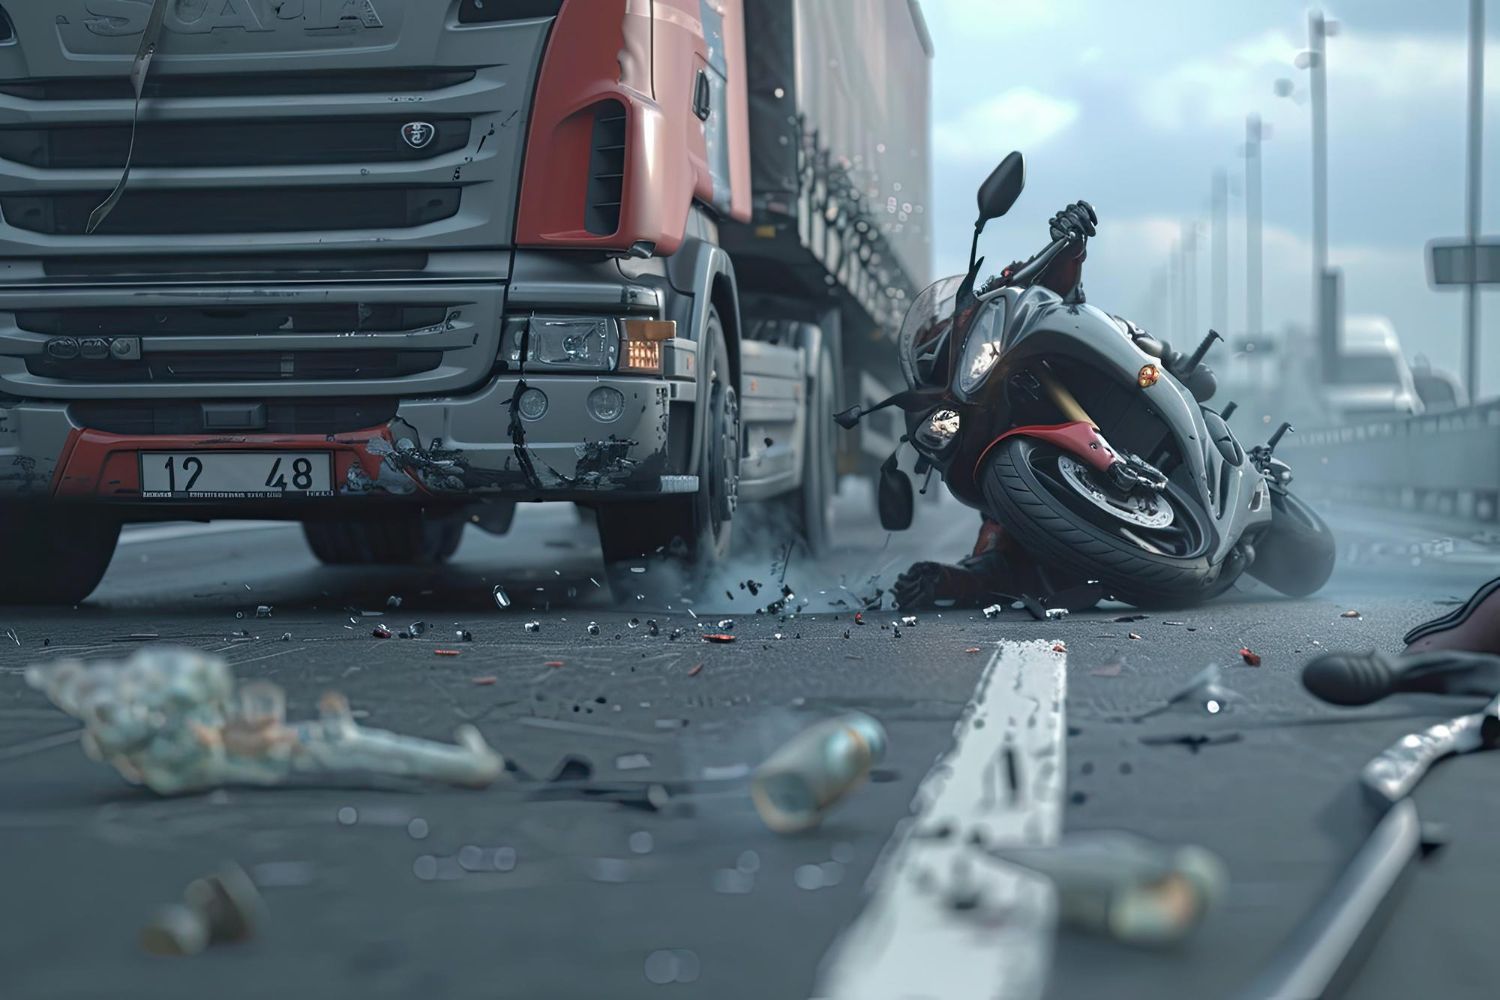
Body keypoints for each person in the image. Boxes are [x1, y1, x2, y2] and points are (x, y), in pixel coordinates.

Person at [892, 201, 1217, 610]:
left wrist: (1070, 241)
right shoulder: (996, 452)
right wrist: (945, 581)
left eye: (940, 340)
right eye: (931, 355)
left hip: (1069, 367)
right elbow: (997, 556)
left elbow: (1046, 277)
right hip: (1079, 543)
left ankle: (1169, 364)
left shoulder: (988, 303)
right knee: (1002, 543)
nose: (940, 350)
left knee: (1104, 323)